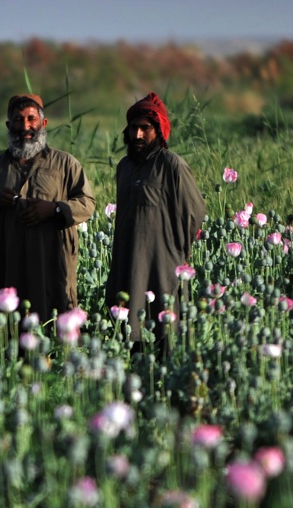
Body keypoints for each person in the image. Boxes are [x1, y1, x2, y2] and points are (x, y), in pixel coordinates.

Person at [0, 94, 96, 325]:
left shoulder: (65, 163)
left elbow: (87, 203)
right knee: (10, 324)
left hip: (52, 258)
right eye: (18, 120)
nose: (25, 127)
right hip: (10, 259)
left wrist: (55, 209)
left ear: (43, 123)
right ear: (9, 125)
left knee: (55, 317)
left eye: (31, 119)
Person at [105, 91, 206, 349]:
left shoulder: (171, 164)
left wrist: (176, 250)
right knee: (129, 331)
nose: (137, 135)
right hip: (127, 259)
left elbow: (193, 211)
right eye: (133, 128)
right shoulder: (124, 167)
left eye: (145, 128)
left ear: (159, 131)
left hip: (162, 263)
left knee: (163, 332)